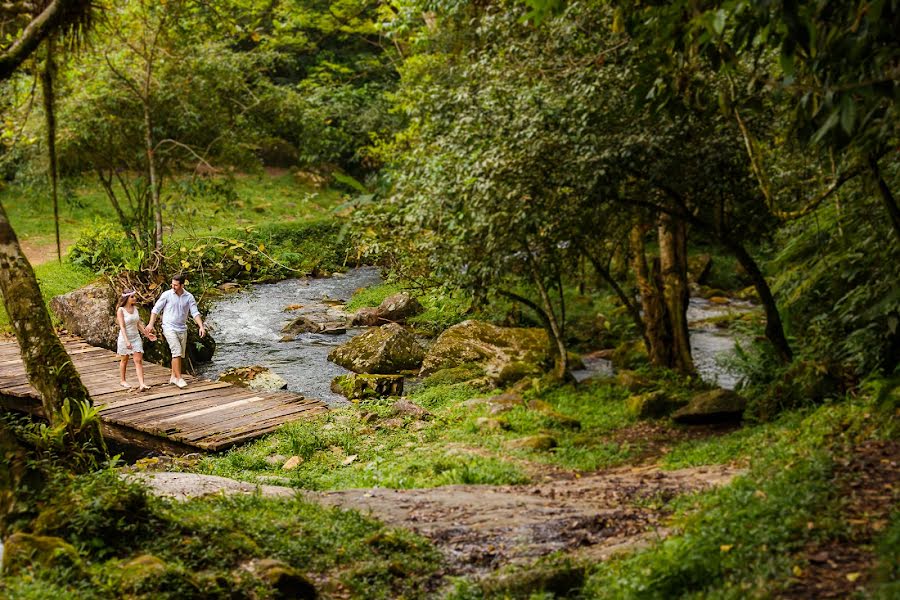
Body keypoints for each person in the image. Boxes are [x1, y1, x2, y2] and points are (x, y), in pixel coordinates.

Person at [146, 274, 206, 389]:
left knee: (179, 354)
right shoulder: (167, 295)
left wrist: (201, 326)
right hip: (169, 327)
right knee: (176, 351)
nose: (173, 286)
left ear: (182, 285)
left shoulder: (189, 297)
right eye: (172, 284)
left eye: (176, 285)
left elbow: (195, 312)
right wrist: (151, 324)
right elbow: (156, 310)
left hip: (182, 328)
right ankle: (179, 378)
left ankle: (173, 376)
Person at [116, 290, 157, 391]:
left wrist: (147, 335)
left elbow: (138, 324)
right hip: (125, 337)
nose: (135, 298)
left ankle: (142, 384)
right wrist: (126, 341)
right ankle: (123, 380)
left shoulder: (135, 309)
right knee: (124, 359)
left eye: (134, 296)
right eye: (132, 297)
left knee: (138, 360)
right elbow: (122, 326)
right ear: (126, 299)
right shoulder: (121, 310)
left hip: (136, 337)